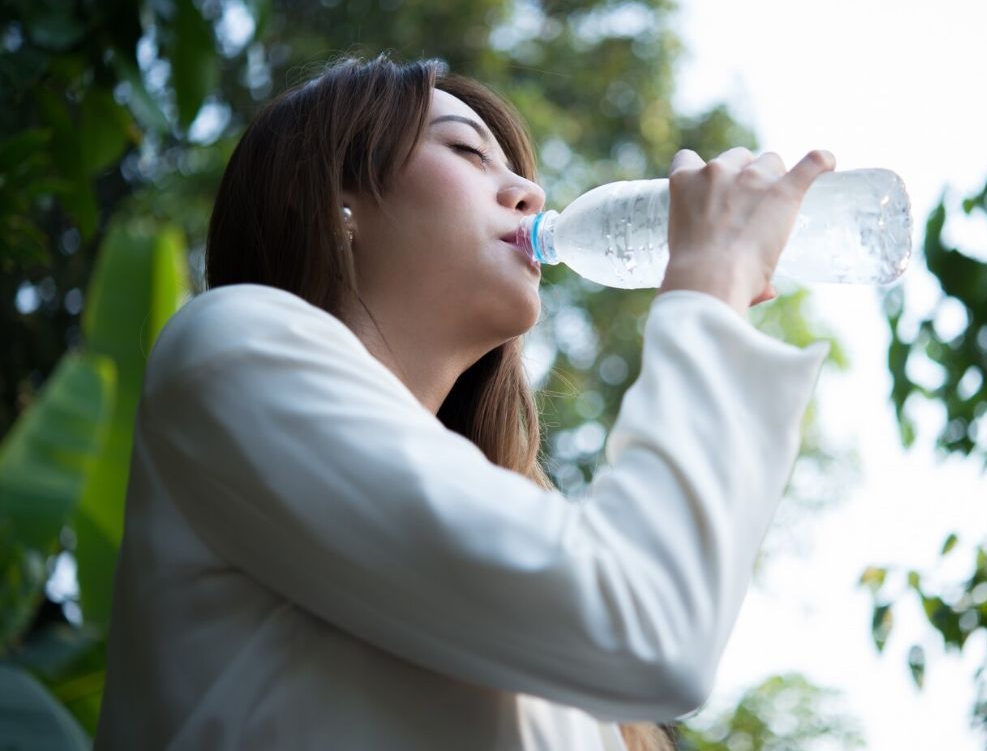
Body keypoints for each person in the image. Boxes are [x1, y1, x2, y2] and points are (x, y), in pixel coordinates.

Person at [94, 55, 833, 750]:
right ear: (334, 200)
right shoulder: (229, 348)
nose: (531, 192)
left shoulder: (517, 555)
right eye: (469, 153)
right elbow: (649, 629)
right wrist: (711, 284)